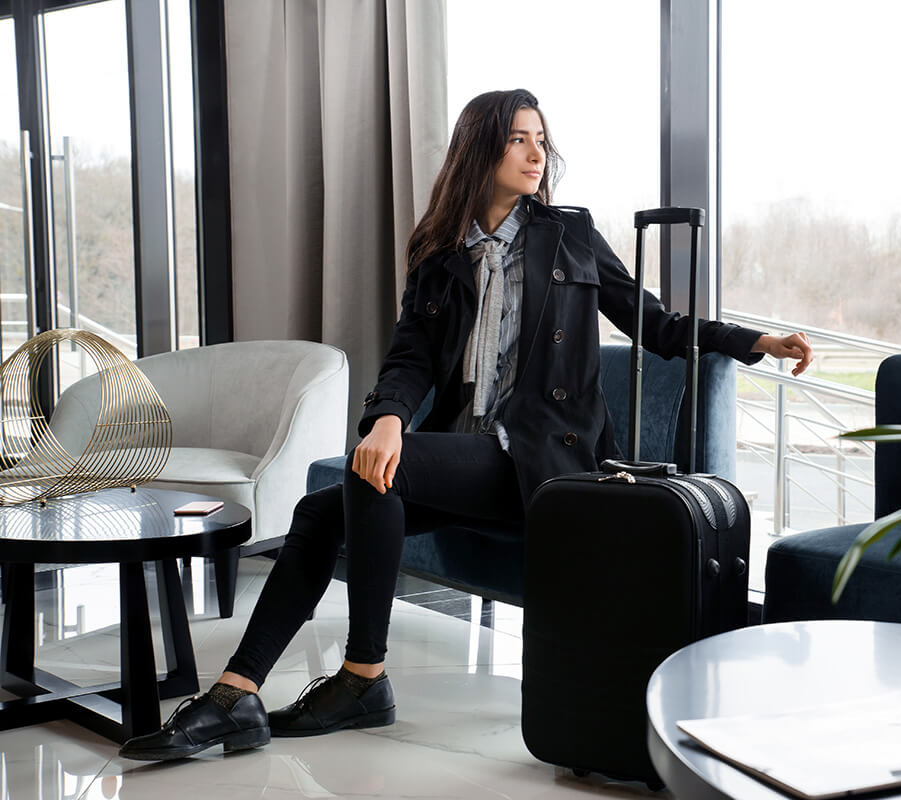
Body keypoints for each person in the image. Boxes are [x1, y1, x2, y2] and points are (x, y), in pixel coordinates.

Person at [118, 88, 813, 761]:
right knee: (320, 509)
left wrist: (755, 342)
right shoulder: (440, 252)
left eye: (541, 139)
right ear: (481, 149)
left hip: (548, 462)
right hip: (473, 455)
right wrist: (386, 420)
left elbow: (655, 323)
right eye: (518, 138)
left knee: (372, 478)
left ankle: (363, 676)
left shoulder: (568, 234)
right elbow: (409, 359)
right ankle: (237, 694)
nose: (536, 153)